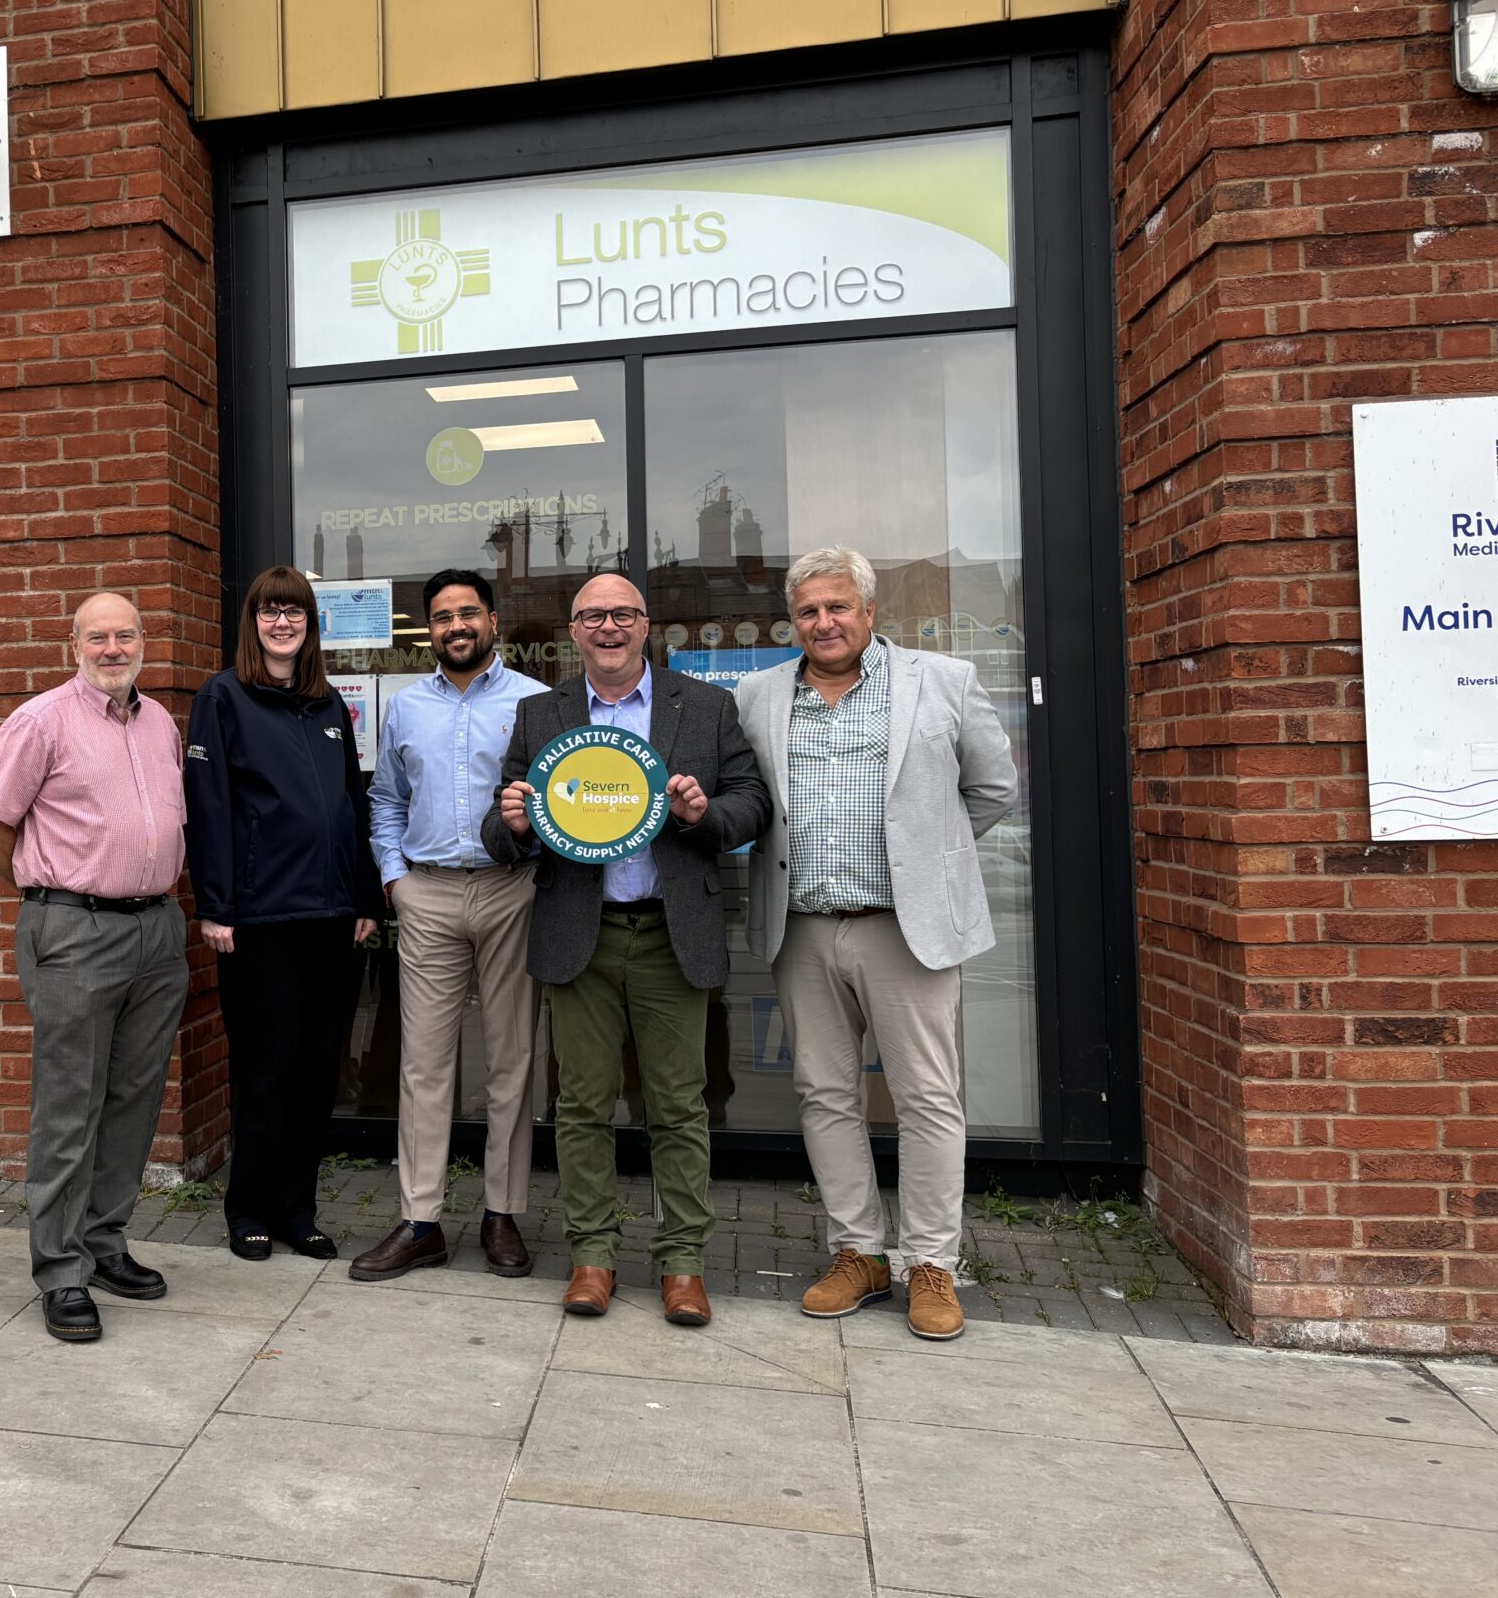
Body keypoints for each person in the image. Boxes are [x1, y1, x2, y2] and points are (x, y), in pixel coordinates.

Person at [735, 547, 1017, 1341]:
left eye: (838, 607)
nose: (824, 623)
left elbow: (993, 789)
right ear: (794, 622)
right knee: (824, 1095)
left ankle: (932, 1263)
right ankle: (857, 1251)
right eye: (809, 612)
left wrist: (930, 862)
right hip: (804, 927)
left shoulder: (943, 682)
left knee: (927, 1098)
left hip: (907, 929)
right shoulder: (758, 696)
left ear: (868, 611)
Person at [483, 572, 770, 1324]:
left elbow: (751, 803)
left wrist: (705, 816)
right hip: (583, 930)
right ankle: (593, 1257)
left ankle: (682, 1264)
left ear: (647, 625)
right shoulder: (540, 713)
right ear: (572, 631)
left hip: (672, 932)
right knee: (580, 1105)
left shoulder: (705, 706)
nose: (607, 627)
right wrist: (513, 823)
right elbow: (502, 823)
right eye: (592, 617)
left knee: (677, 1105)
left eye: (622, 614)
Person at [0, 591, 189, 1345]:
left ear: (142, 643)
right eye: (98, 636)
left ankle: (105, 1243)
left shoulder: (158, 722)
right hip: (75, 930)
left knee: (133, 1098)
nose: (113, 648)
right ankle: (60, 1271)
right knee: (69, 1106)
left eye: (125, 635)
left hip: (156, 930)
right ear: (74, 644)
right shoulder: (39, 721)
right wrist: (49, 898)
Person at [349, 567, 548, 1280]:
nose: (456, 626)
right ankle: (421, 1221)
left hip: (511, 893)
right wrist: (394, 877)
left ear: (492, 622)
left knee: (511, 1062)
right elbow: (386, 800)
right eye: (441, 617)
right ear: (427, 630)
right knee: (424, 1065)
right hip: (427, 895)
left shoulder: (537, 702)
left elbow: (557, 804)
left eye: (469, 613)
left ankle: (502, 1213)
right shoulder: (404, 708)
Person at [185, 566, 379, 1263]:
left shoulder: (328, 707)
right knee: (266, 1071)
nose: (282, 622)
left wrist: (362, 896)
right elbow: (207, 808)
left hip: (332, 918)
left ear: (310, 623)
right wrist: (216, 906)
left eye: (294, 610)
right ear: (253, 621)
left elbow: (350, 807)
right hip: (258, 919)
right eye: (270, 610)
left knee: (317, 1071)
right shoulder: (224, 697)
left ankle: (298, 1210)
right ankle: (249, 1210)